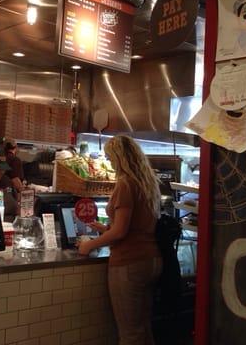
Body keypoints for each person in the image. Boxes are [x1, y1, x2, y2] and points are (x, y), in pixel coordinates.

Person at [78, 135, 162, 345]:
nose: (109, 162)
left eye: (110, 157)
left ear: (119, 158)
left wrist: (88, 245)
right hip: (151, 260)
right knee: (143, 328)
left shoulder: (125, 184)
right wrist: (106, 228)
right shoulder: (146, 182)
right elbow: (135, 226)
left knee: (130, 333)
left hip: (129, 262)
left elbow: (120, 233)